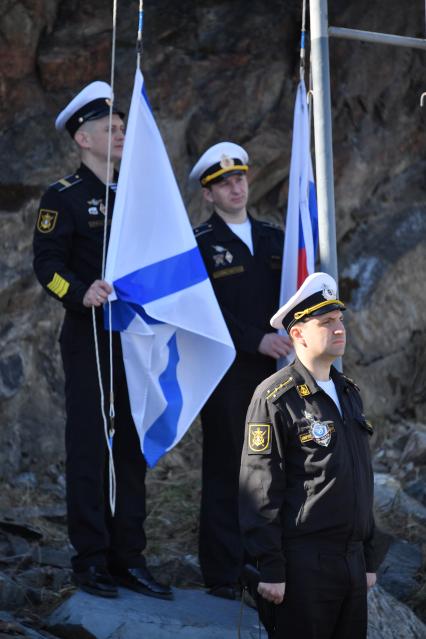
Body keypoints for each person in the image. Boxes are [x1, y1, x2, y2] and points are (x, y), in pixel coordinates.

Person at [33, 81, 172, 600]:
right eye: (108, 129)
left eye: (120, 128)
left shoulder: (136, 197)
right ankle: (90, 559)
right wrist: (79, 291)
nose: (118, 134)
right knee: (92, 447)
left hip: (136, 336)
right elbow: (46, 266)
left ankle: (128, 558)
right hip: (89, 332)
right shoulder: (63, 197)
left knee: (133, 447)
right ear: (82, 139)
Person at [239, 272, 380, 639]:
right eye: (326, 322)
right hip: (304, 565)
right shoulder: (275, 396)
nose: (339, 328)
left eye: (340, 320)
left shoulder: (348, 392)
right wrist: (270, 567)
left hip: (351, 562)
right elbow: (259, 488)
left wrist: (369, 554)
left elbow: (360, 477)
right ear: (297, 334)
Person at [189, 142, 292, 599]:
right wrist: (255, 339)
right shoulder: (200, 246)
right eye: (223, 183)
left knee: (274, 467)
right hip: (228, 374)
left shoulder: (275, 238)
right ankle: (224, 573)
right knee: (229, 469)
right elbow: (203, 309)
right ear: (208, 195)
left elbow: (293, 295)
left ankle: (266, 565)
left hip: (278, 371)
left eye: (240, 178)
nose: (235, 187)